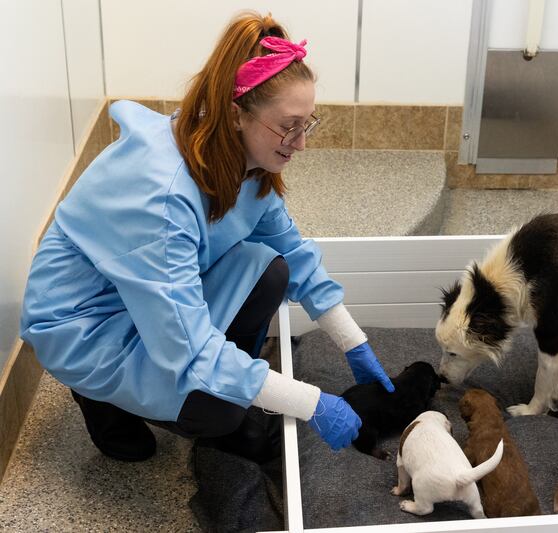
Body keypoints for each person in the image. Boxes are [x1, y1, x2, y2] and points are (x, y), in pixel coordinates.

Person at [19, 12, 394, 464]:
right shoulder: (162, 195)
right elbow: (187, 349)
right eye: (288, 126)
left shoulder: (240, 157)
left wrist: (354, 343)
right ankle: (100, 398)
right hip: (86, 323)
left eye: (307, 124)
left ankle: (217, 395)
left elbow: (292, 251)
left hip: (149, 302)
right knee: (217, 407)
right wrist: (312, 403)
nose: (300, 142)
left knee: (270, 269)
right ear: (237, 114)